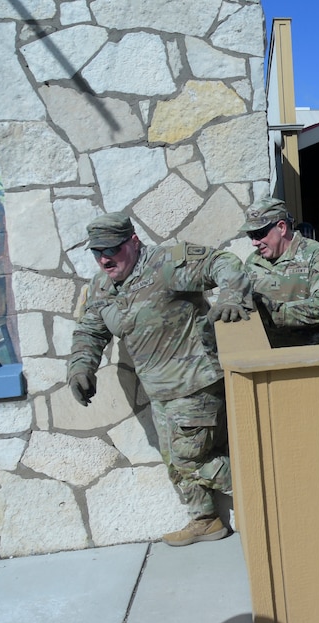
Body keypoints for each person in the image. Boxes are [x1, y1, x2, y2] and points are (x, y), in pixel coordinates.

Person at [67, 213, 251, 546]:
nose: (104, 258)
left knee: (188, 459)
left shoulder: (166, 264)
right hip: (159, 391)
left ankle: (266, 488)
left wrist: (231, 296)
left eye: (112, 249)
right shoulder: (101, 286)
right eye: (97, 252)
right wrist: (81, 368)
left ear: (133, 242)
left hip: (195, 384)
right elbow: (90, 330)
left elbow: (223, 263)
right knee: (173, 460)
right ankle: (205, 520)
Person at [240, 197, 319, 347]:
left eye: (259, 234)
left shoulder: (316, 255)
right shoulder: (253, 261)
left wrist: (277, 313)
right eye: (251, 236)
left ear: (281, 227)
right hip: (276, 353)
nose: (254, 242)